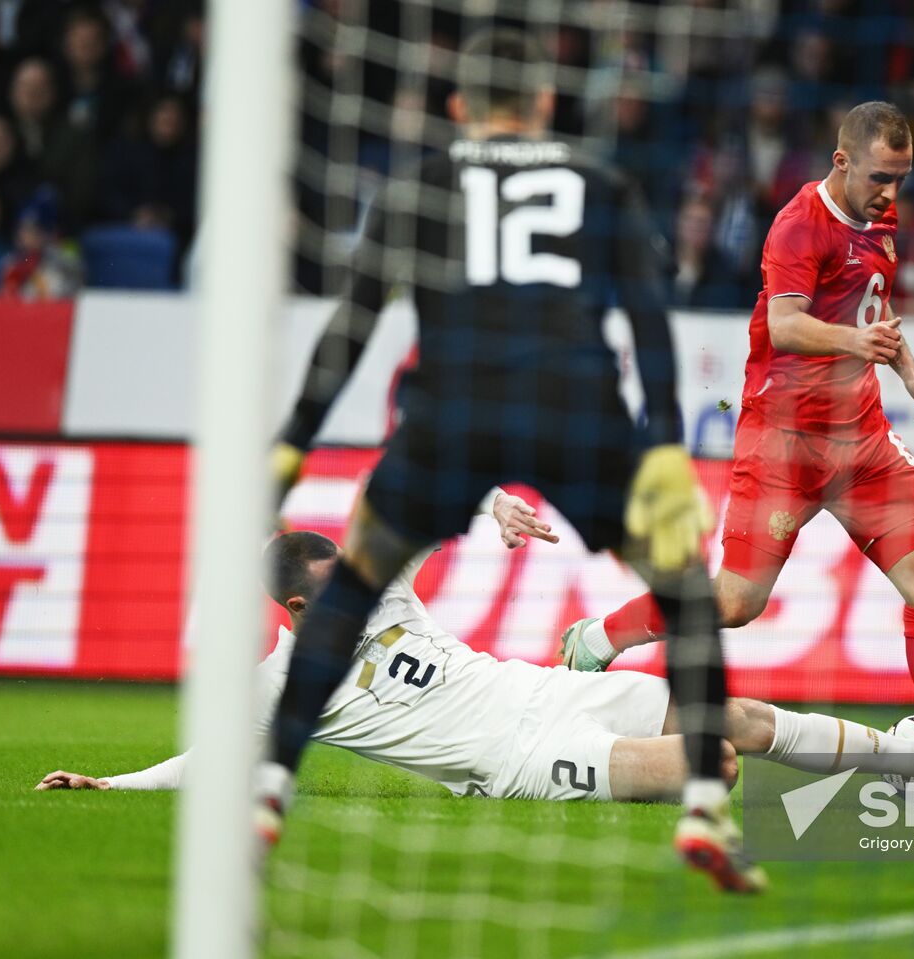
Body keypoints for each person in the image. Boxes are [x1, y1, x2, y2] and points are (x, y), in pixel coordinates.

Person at [262, 29, 752, 892]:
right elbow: (648, 325)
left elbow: (352, 329)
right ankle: (706, 800)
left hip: (449, 416)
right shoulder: (601, 185)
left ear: (459, 107)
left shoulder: (419, 187)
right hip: (575, 411)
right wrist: (667, 447)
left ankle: (268, 784)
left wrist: (295, 439)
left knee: (351, 587)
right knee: (681, 582)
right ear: (547, 104)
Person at [37, 530, 914, 804]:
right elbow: (204, 762)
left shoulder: (388, 592)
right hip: (518, 758)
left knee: (733, 714)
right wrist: (105, 782)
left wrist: (494, 503)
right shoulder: (283, 687)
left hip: (548, 687)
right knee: (718, 763)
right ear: (296, 611)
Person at [561, 101, 914, 719]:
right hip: (785, 441)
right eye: (880, 178)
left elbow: (872, 310)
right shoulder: (799, 225)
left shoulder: (878, 219)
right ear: (842, 161)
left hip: (860, 439)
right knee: (736, 603)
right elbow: (784, 325)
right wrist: (856, 343)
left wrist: (911, 376)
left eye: (902, 178)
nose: (891, 194)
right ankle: (599, 637)